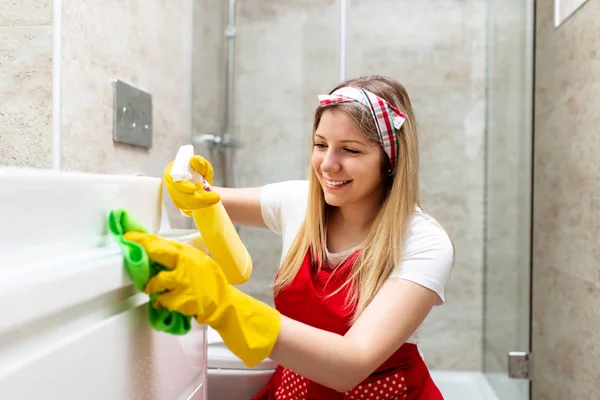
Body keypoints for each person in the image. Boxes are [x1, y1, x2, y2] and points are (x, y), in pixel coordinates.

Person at [124, 75, 454, 399]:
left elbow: (351, 364)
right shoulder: (299, 202)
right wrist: (188, 184)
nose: (327, 165)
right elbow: (205, 197)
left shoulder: (423, 242)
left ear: (390, 162)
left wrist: (224, 305)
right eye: (320, 145)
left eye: (350, 150)